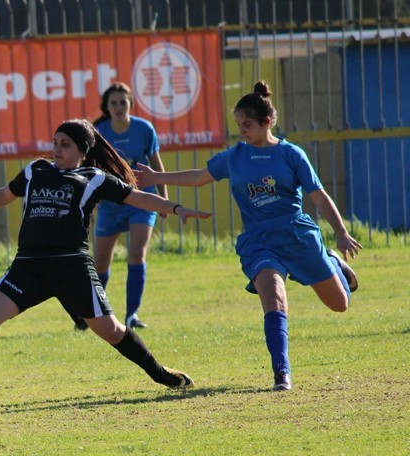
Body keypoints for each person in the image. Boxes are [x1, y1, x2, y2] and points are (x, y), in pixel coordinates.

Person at [0, 119, 209, 407]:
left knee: (111, 330)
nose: (57, 148)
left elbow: (137, 198)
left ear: (82, 150)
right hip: (29, 266)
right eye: (55, 142)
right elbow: (5, 194)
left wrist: (175, 208)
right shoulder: (35, 170)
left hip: (72, 268)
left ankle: (161, 374)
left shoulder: (94, 178)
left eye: (65, 144)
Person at [135, 81, 362, 392]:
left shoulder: (291, 154)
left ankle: (332, 261)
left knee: (339, 304)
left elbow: (319, 196)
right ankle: (282, 372)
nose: (241, 131)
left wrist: (341, 232)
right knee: (274, 297)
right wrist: (155, 176)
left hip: (296, 235)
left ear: (266, 122)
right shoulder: (235, 156)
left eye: (247, 125)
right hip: (259, 242)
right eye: (238, 124)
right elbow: (199, 177)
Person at [91, 82, 168, 330]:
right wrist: (89, 205)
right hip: (110, 203)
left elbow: (156, 165)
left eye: (123, 102)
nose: (118, 107)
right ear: (107, 107)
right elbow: (90, 170)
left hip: (141, 199)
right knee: (100, 264)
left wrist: (164, 200)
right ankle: (92, 313)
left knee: (136, 253)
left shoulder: (144, 129)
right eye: (113, 103)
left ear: (131, 104)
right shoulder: (99, 133)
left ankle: (131, 315)